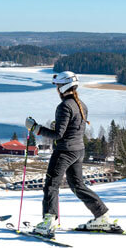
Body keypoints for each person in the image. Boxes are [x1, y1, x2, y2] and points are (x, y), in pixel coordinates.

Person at [25, 71, 113, 237]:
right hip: (78, 150)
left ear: (63, 86)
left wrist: (36, 128)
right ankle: (102, 215)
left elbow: (59, 134)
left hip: (64, 151)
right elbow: (71, 129)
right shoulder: (81, 104)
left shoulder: (64, 106)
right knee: (77, 185)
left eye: (58, 86)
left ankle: (48, 222)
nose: (57, 89)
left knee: (51, 185)